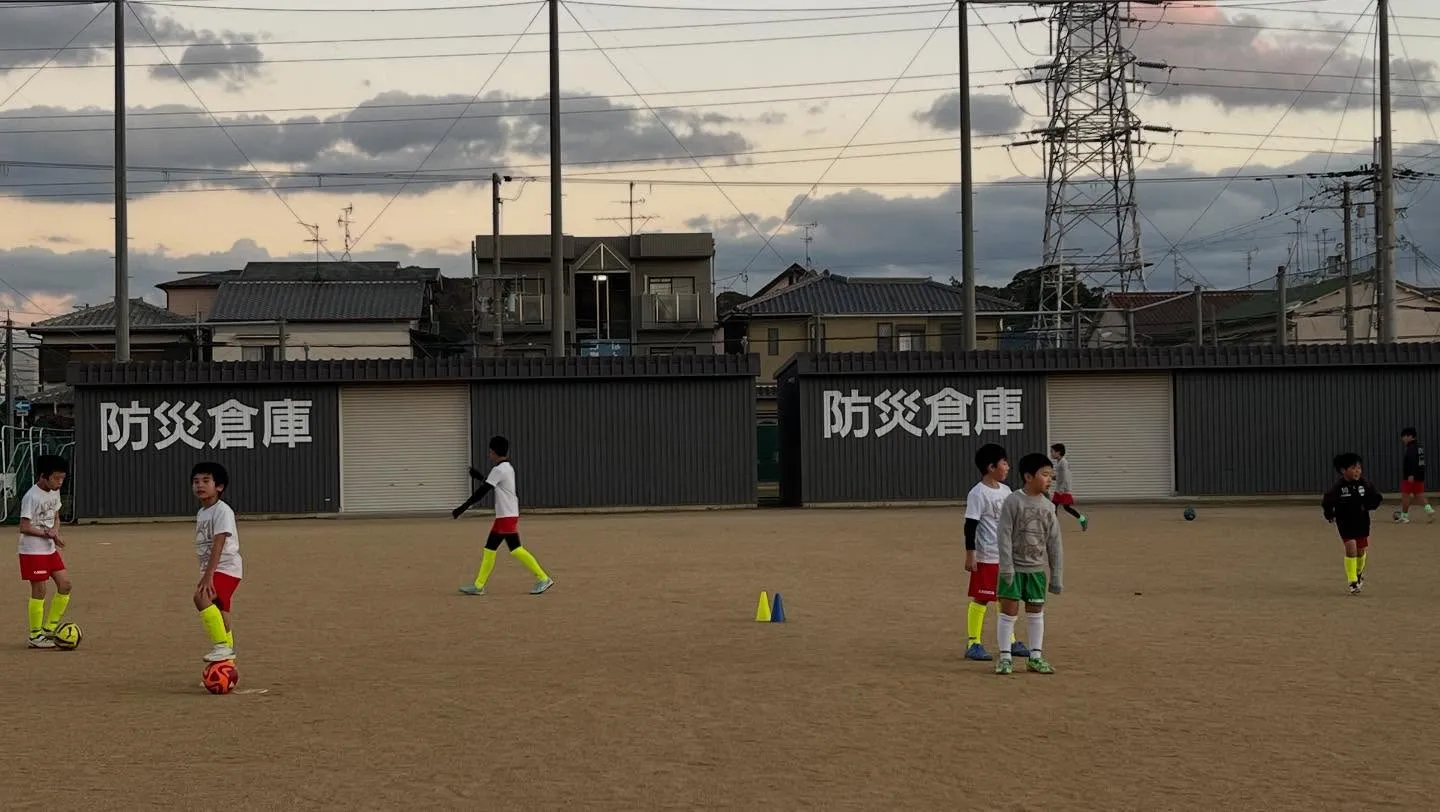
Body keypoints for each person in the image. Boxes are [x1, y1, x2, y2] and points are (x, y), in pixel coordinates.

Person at [454, 435, 554, 596]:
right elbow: (495, 486)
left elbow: (482, 492)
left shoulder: (499, 469)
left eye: (490, 451)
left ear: (493, 452)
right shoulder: (507, 467)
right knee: (490, 549)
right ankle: (478, 585)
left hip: (506, 515)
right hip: (506, 515)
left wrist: (462, 507)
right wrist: (479, 477)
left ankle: (543, 578)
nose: (489, 454)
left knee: (515, 549)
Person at [994, 452, 1064, 676]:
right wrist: (1006, 567)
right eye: (1044, 475)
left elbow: (1054, 543)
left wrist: (1056, 576)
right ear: (1028, 476)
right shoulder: (1013, 501)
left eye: (1050, 476)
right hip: (1013, 569)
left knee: (1036, 612)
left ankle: (1035, 656)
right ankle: (1005, 657)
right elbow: (1003, 535)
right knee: (1009, 613)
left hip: (1036, 570)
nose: (1049, 480)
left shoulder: (1048, 507)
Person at [963, 443, 1029, 662]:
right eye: (1004, 463)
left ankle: (1010, 640)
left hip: (1006, 555)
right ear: (991, 467)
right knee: (981, 598)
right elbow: (970, 526)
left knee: (1007, 597)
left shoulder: (1006, 491)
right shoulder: (978, 493)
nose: (1008, 467)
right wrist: (970, 554)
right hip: (986, 555)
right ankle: (973, 642)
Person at [18, 455, 70, 649]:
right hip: (32, 550)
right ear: (43, 476)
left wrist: (55, 531)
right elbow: (24, 527)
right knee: (40, 590)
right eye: (56, 478)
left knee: (65, 585)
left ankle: (49, 629)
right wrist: (46, 534)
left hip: (49, 549)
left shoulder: (54, 492)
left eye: (62, 478)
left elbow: (55, 516)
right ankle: (35, 635)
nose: (60, 482)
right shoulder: (31, 497)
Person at [192, 462, 241, 663]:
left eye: (206, 481)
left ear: (219, 487)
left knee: (201, 597)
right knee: (221, 611)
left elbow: (219, 543)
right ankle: (227, 663)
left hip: (225, 568)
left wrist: (209, 574)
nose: (199, 485)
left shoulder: (222, 511)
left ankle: (222, 647)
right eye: (195, 481)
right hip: (217, 569)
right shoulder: (203, 512)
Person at [1323, 452, 1384, 595]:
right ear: (1343, 470)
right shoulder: (1338, 488)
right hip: (1345, 522)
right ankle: (1352, 582)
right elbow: (1327, 501)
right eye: (1353, 468)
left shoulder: (1365, 484)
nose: (1357, 471)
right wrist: (1329, 515)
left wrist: (1368, 506)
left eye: (1359, 468)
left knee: (1360, 551)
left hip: (1362, 522)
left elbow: (1377, 497)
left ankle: (1358, 572)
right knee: (1350, 547)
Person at [1048, 443, 1088, 532]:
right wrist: (1052, 477)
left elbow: (1066, 476)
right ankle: (1054, 526)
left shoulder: (1063, 462)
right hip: (1060, 489)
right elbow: (1060, 476)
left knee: (1065, 507)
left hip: (1063, 490)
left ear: (1058, 452)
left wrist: (1061, 489)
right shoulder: (1060, 462)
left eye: (1052, 452)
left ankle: (1082, 519)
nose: (1051, 454)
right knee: (1055, 506)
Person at [1397, 428, 1433, 523]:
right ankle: (1429, 510)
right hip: (1420, 475)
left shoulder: (1411, 448)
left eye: (1404, 437)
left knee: (1405, 495)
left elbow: (1412, 461)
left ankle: (1404, 516)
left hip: (1410, 476)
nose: (1403, 439)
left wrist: (1411, 474)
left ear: (1410, 436)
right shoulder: (1419, 447)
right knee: (1419, 494)